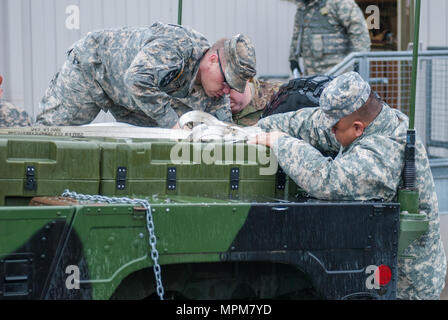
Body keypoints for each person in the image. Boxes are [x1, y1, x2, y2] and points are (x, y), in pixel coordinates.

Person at [251, 71, 447, 299]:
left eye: (336, 129)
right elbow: (314, 124)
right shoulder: (369, 120)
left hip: (407, 287)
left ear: (357, 128)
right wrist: (260, 127)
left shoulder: (382, 154)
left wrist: (280, 142)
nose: (331, 133)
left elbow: (328, 179)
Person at [35, 22, 256, 128]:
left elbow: (224, 126)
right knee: (52, 134)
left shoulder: (216, 90)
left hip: (132, 101)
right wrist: (173, 123)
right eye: (227, 82)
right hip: (94, 70)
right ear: (212, 60)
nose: (227, 91)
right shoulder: (178, 45)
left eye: (234, 87)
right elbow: (137, 79)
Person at [289, 0, 371, 76]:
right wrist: (293, 59)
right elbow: (297, 33)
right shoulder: (303, 7)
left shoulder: (339, 3)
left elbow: (360, 34)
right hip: (312, 77)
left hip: (338, 77)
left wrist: (359, 64)